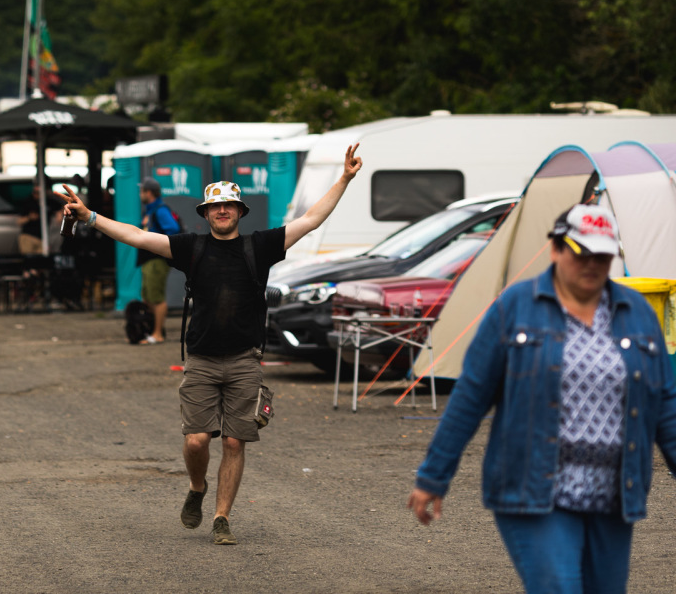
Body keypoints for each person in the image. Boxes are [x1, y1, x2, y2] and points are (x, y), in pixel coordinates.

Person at [60, 144, 362, 545]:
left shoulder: (261, 246)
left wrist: (344, 178)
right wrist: (91, 217)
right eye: (215, 208)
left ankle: (222, 517)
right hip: (201, 359)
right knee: (197, 440)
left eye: (229, 206)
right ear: (206, 213)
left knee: (235, 440)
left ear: (239, 211)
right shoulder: (191, 248)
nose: (222, 212)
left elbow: (311, 219)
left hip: (244, 360)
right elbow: (136, 236)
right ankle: (198, 486)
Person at [407, 204, 676, 594]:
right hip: (534, 488)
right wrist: (433, 477)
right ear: (555, 248)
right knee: (559, 587)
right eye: (581, 253)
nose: (592, 264)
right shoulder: (516, 307)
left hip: (614, 494)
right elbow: (470, 396)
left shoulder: (635, 313)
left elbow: (665, 402)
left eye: (602, 256)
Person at [137, 177, 180, 344]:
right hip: (148, 259)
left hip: (157, 260)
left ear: (149, 193)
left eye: (142, 191)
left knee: (156, 297)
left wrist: (155, 239)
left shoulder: (160, 210)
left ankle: (158, 335)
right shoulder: (149, 210)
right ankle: (152, 331)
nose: (140, 194)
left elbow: (173, 229)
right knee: (147, 296)